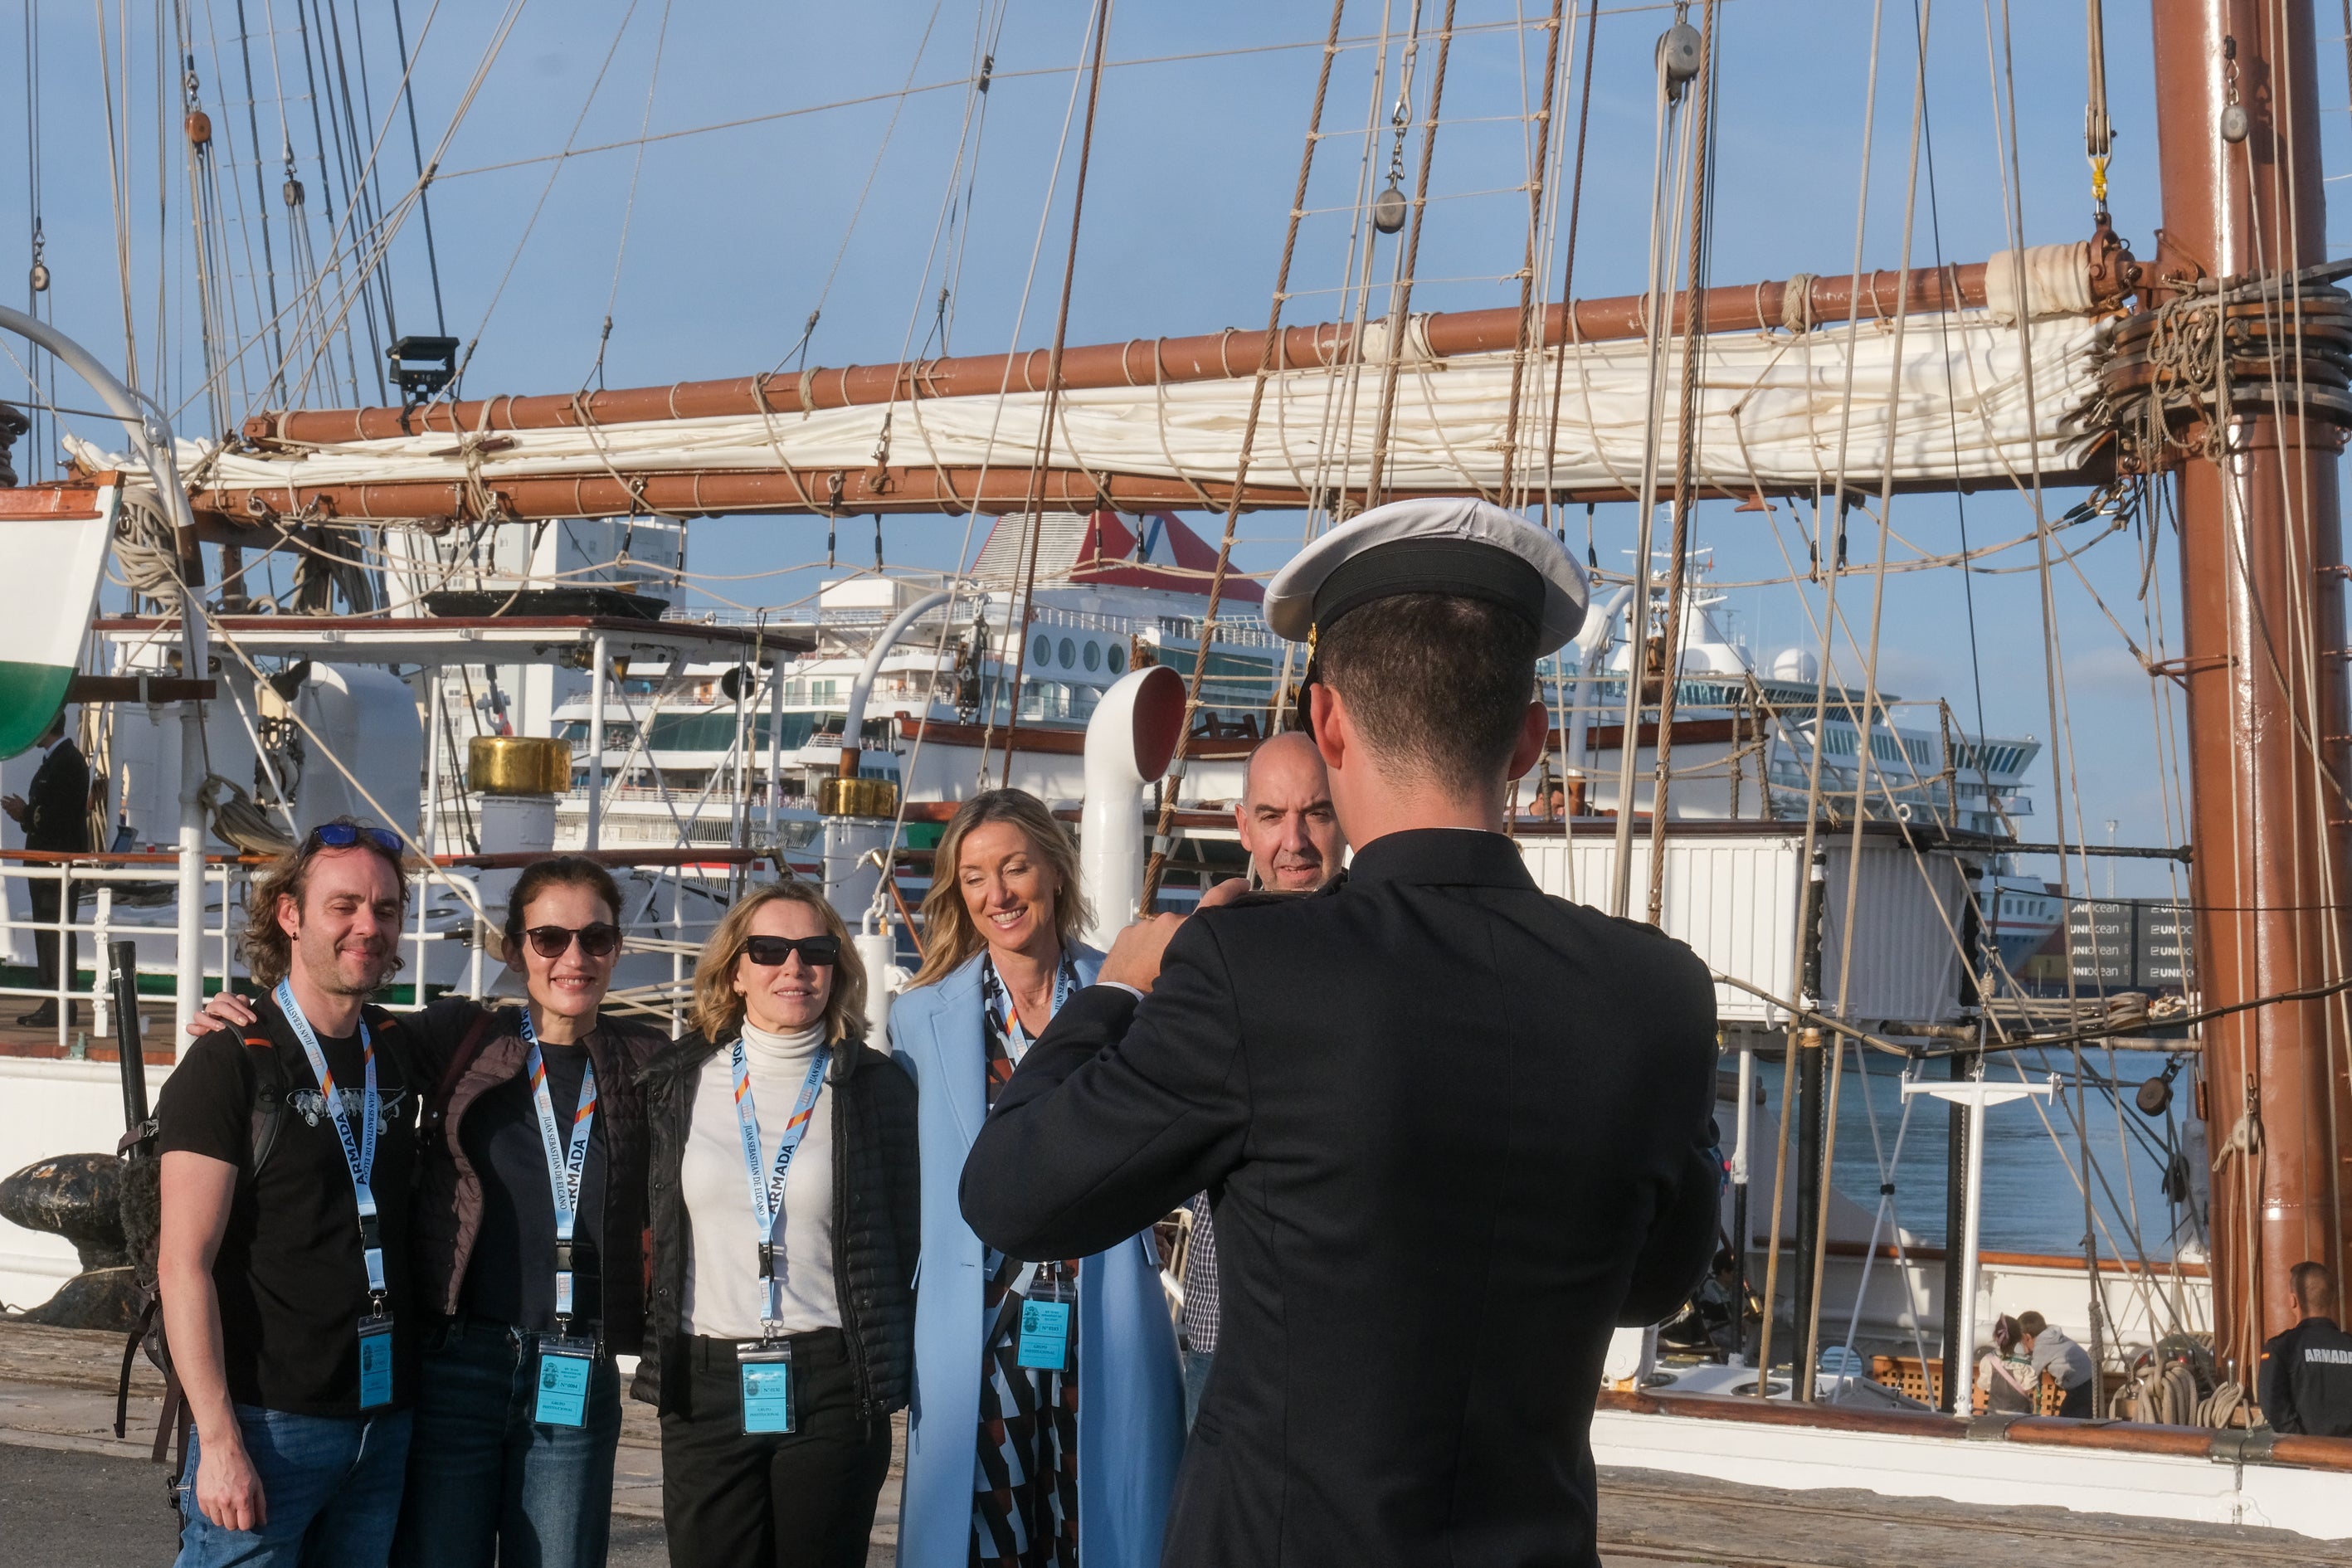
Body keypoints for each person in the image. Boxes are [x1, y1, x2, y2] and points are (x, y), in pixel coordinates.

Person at [960, 497, 1722, 1568]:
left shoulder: (1252, 970)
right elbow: (1654, 1279)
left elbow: (1011, 1192)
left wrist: (1116, 992)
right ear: (1527, 741)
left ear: (1327, 726)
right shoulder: (1658, 992)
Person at [187, 855, 670, 1568]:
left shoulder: (651, 1063)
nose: (574, 957)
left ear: (615, 950)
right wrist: (244, 1015)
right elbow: (330, 1029)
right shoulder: (459, 1037)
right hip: (458, 1364)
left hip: (575, 1363)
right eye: (549, 939)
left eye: (595, 940)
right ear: (514, 950)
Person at [889, 789, 1186, 1568]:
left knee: (1099, 1529)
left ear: (1054, 872)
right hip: (975, 1328)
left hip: (1104, 1311)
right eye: (975, 877)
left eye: (1015, 868)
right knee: (985, 1538)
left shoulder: (1130, 995)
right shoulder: (917, 1020)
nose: (997, 895)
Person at [153, 820, 422, 1566]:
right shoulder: (229, 1060)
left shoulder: (397, 1048)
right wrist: (219, 1442)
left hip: (382, 1422)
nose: (367, 926)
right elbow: (183, 1266)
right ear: (291, 915)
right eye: (343, 906)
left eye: (386, 908)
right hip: (269, 1427)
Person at [635, 880, 918, 1568]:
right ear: (735, 971)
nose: (793, 967)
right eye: (768, 950)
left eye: (814, 950)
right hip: (702, 1383)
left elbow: (908, 1230)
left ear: (837, 968)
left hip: (831, 1380)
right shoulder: (676, 1080)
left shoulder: (876, 1088)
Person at [1176, 733, 1347, 1426]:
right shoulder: (1209, 951)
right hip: (1227, 1329)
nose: (1295, 840)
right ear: (1242, 825)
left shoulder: (1389, 948)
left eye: (1317, 813)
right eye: (1273, 816)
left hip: (1349, 1334)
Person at [4, 707, 92, 1027]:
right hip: (48, 864)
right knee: (51, 932)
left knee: (55, 933)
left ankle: (58, 1005)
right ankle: (56, 1002)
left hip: (56, 864)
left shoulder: (67, 762)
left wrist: (24, 813)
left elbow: (58, 816)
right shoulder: (59, 760)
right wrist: (27, 814)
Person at [2258, 1260, 2352, 1436]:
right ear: (2331, 1299)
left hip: (2301, 1457)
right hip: (2347, 1457)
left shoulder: (2279, 1349)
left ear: (2293, 1300)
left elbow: (2273, 1406)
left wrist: (2303, 1447)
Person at [2015, 1311, 2096, 1419]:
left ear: (2027, 1337)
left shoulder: (2041, 1346)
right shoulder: (2052, 1337)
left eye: (2021, 1341)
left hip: (2080, 1388)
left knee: (2067, 1421)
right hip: (2090, 1382)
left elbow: (2031, 1374)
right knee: (2070, 1417)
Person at [1977, 1315, 2038, 1415]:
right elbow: (2029, 1388)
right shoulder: (2026, 1363)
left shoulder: (1988, 1360)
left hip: (1994, 1414)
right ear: (2019, 1338)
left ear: (1995, 1336)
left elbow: (1983, 1385)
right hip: (2019, 1416)